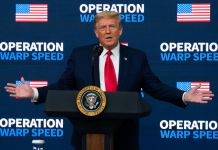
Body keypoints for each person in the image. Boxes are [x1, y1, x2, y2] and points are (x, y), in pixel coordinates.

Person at [5, 11, 214, 150]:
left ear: (120, 30)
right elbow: (63, 86)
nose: (107, 31)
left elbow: (155, 87)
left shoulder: (136, 57)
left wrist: (184, 95)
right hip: (86, 134)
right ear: (96, 32)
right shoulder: (80, 55)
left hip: (125, 136)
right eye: (102, 27)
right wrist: (34, 93)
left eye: (112, 26)